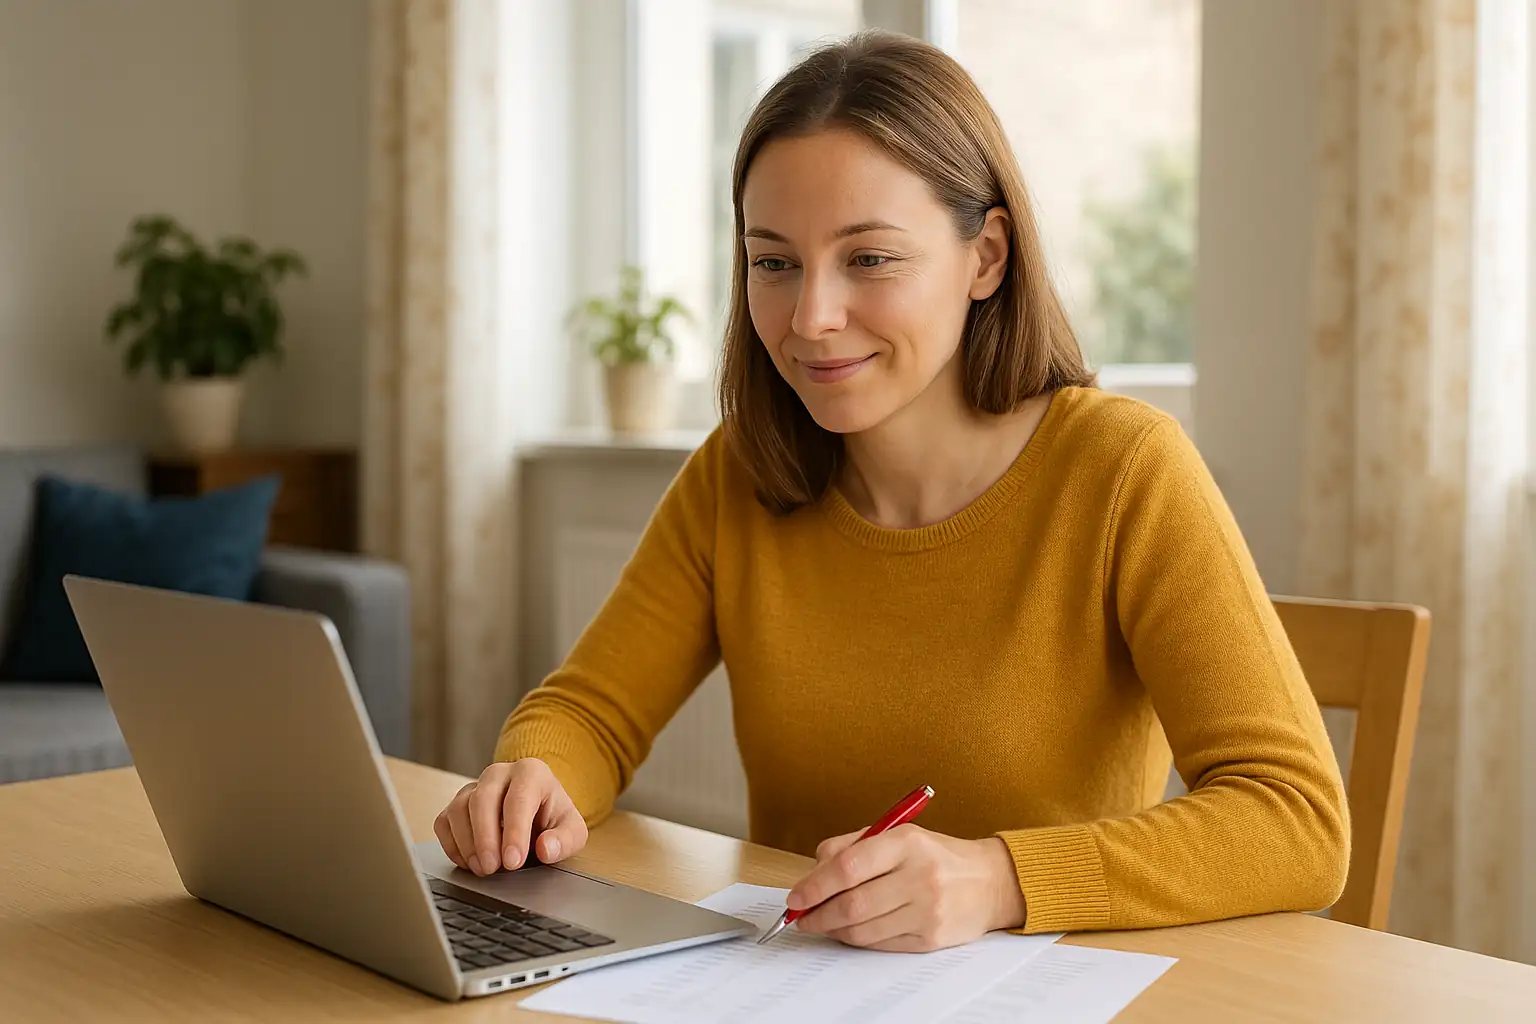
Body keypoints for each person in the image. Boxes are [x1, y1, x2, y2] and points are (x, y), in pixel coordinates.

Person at [435, 31, 1348, 952]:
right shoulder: (742, 469)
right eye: (773, 262)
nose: (811, 317)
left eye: (869, 259)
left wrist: (997, 879)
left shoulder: (1122, 471)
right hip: (789, 993)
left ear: (986, 257)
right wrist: (532, 777)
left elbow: (1296, 821)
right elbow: (590, 710)